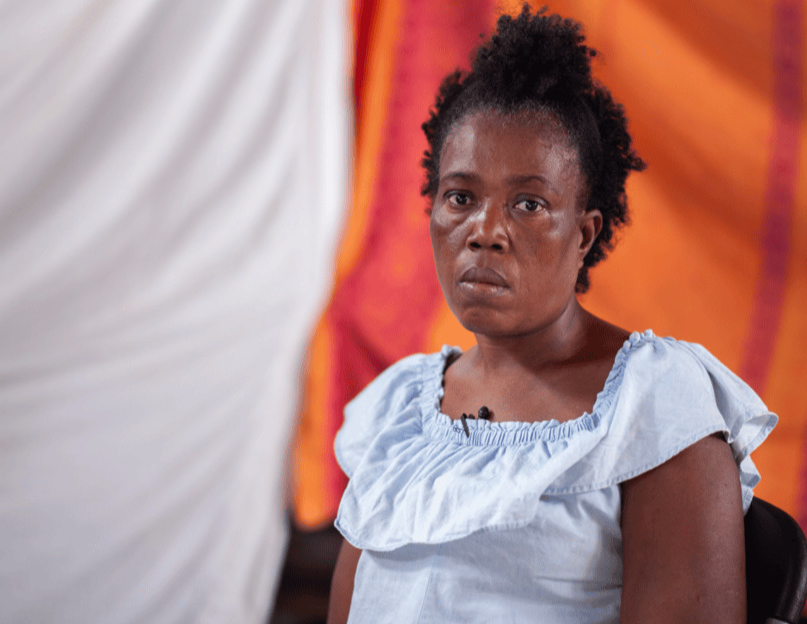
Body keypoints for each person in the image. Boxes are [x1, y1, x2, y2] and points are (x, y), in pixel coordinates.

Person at [327, 6, 776, 623]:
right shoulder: (399, 411)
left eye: (529, 204)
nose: (485, 231)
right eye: (460, 197)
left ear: (584, 233)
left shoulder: (651, 404)